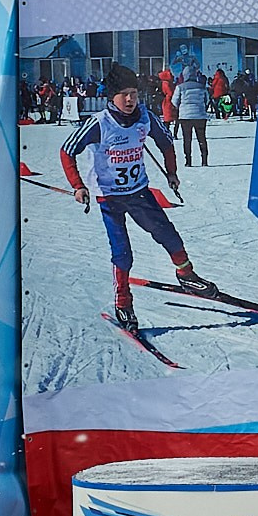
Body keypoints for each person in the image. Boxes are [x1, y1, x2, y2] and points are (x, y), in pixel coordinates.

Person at [59, 63, 202, 332]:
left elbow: (167, 143)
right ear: (111, 96)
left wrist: (171, 172)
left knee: (168, 234)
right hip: (109, 198)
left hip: (138, 192)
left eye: (134, 93)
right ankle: (123, 301)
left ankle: (186, 274)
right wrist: (78, 185)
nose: (129, 99)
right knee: (123, 253)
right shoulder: (99, 123)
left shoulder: (145, 117)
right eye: (123, 94)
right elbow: (67, 151)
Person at [174, 63, 211, 166]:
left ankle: (188, 161)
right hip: (200, 116)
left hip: (185, 117)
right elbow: (207, 100)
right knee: (202, 138)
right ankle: (204, 160)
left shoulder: (180, 87)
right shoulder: (201, 87)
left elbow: (174, 101)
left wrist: (181, 107)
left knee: (187, 139)